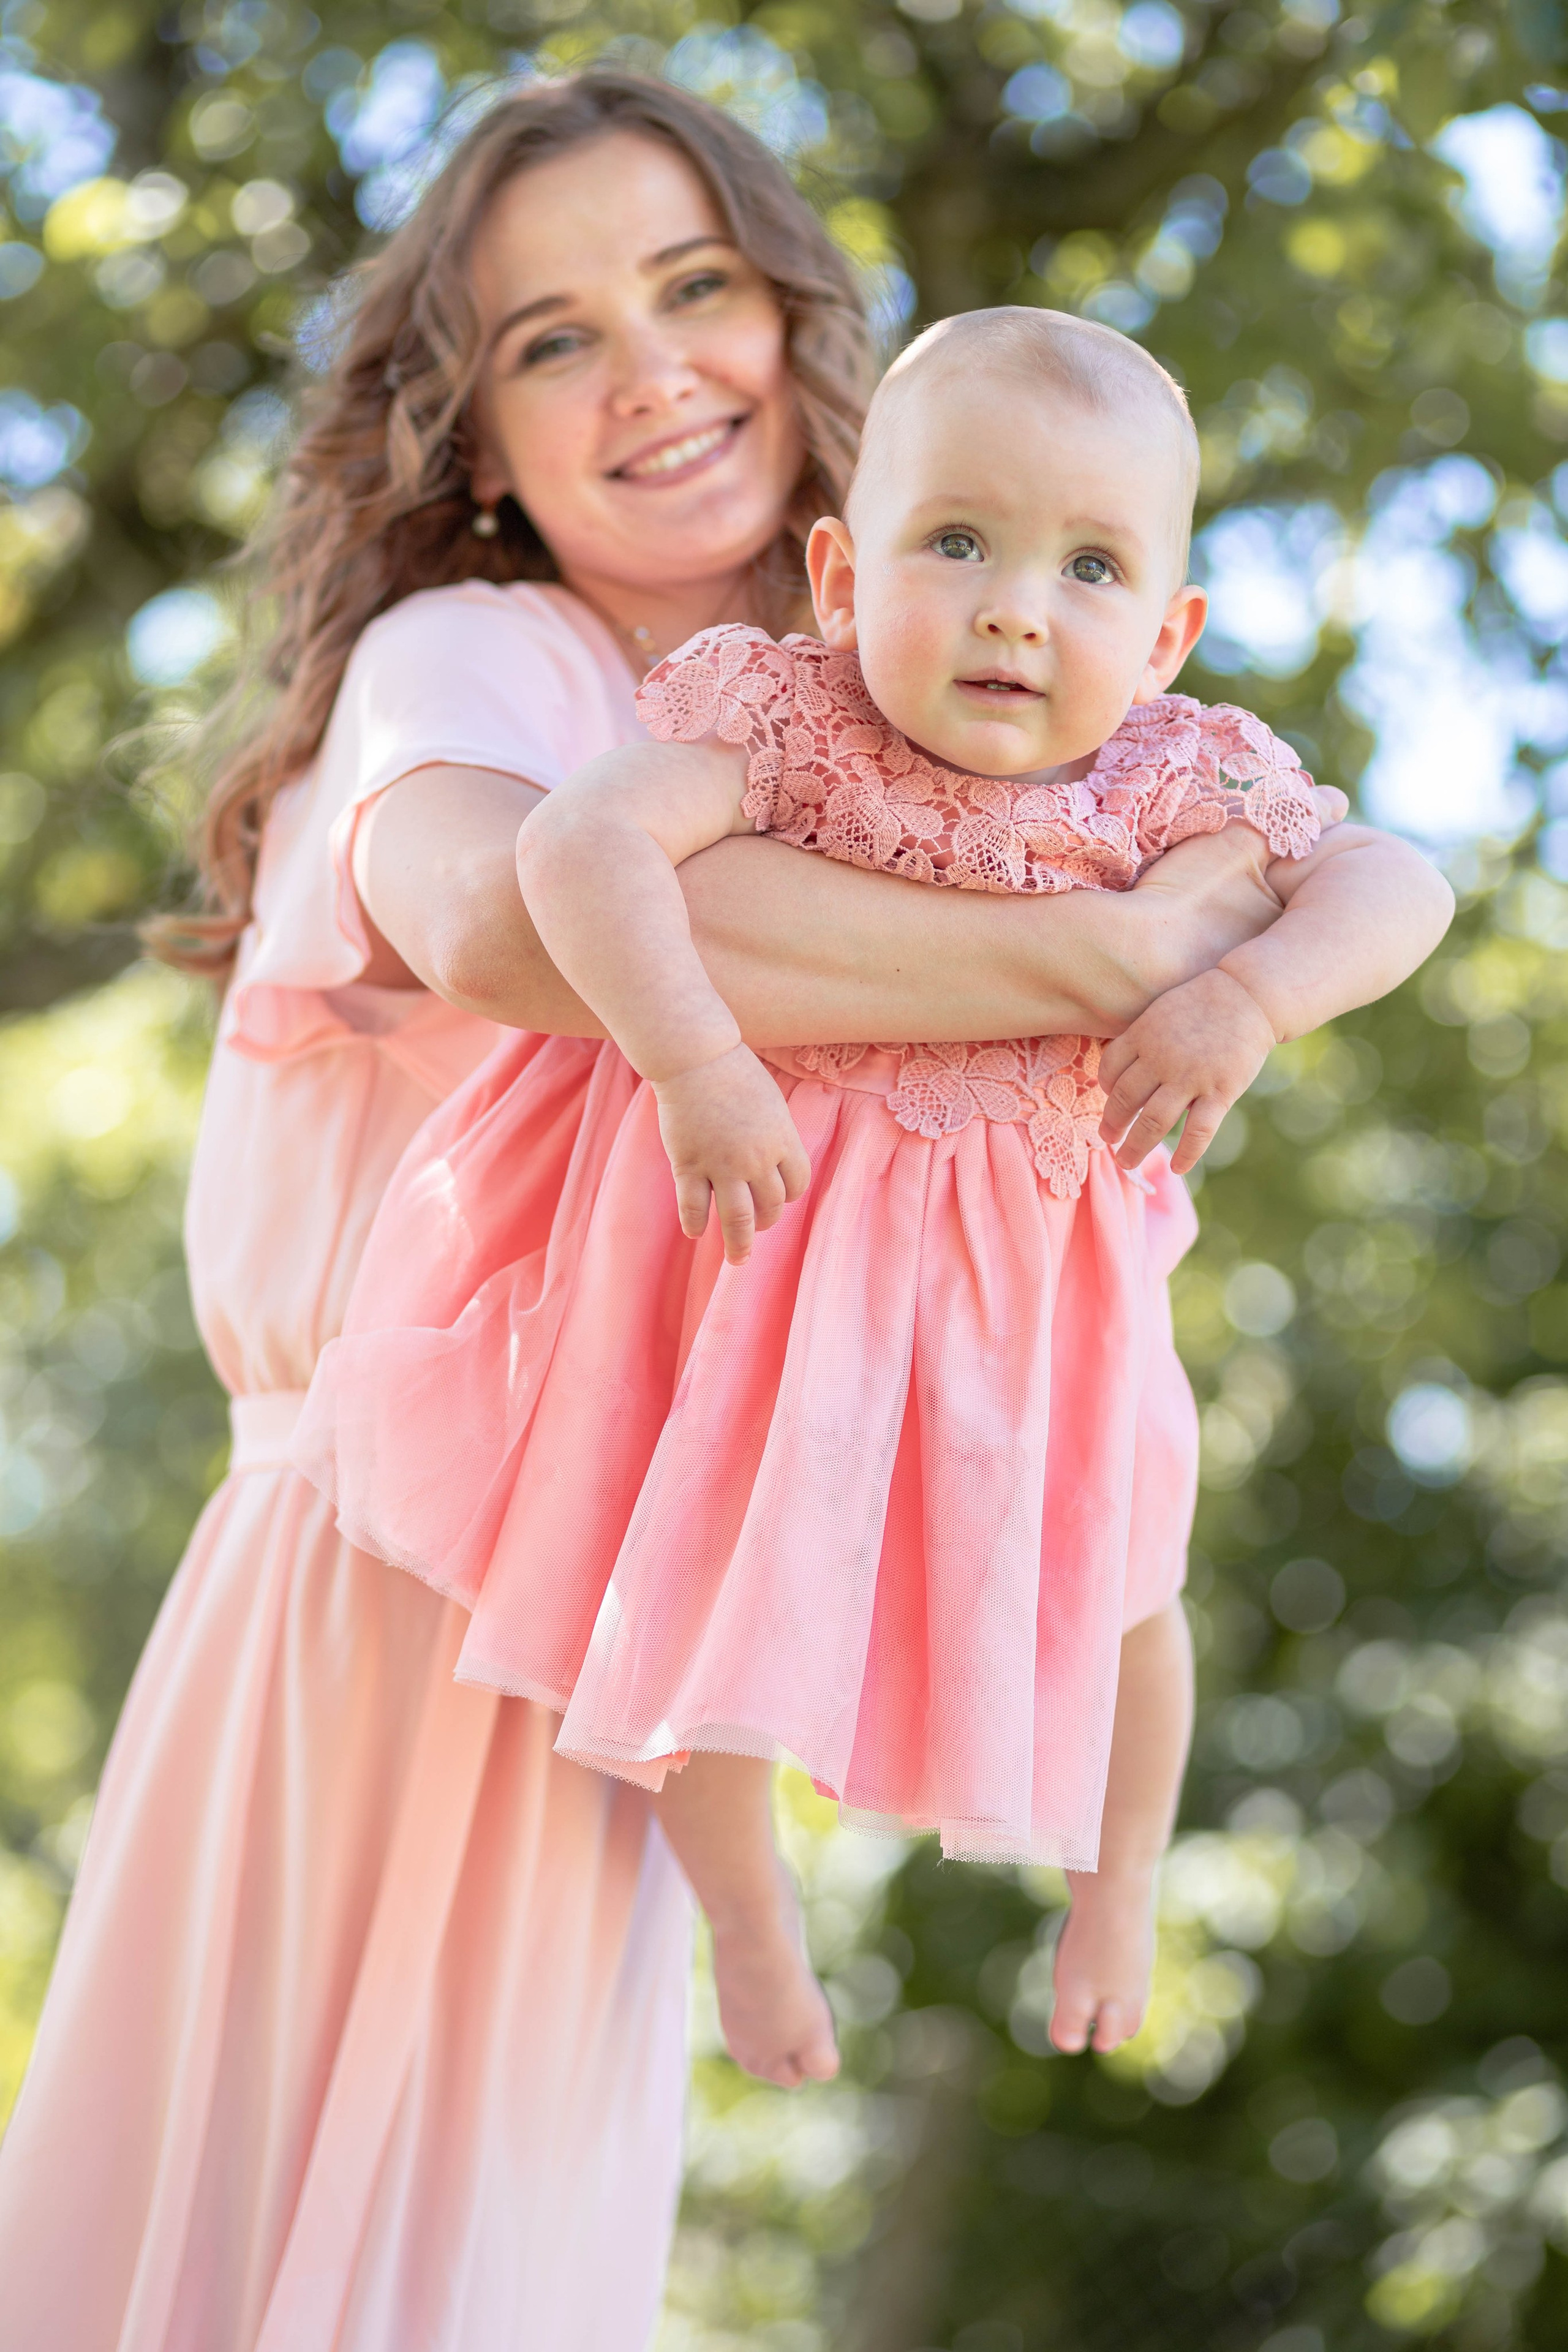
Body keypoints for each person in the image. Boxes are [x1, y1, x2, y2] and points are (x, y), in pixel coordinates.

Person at [0, 70, 1335, 2351]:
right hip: (397, 1607)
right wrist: (1113, 953)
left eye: (692, 283)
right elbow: (522, 932)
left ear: (786, 320)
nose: (646, 366)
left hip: (621, 1613)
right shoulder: (472, 657)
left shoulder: (911, 716)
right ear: (470, 431)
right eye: (549, 335)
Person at [294, 307, 1453, 2092]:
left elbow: (1398, 884)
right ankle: (745, 1923)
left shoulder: (1179, 782)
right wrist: (693, 1061)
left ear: (1167, 635)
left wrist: (1248, 996)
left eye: (1087, 567)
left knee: (1134, 1567)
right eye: (960, 542)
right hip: (777, 1270)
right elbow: (577, 844)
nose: (1014, 607)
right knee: (712, 1573)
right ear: (841, 574)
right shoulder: (790, 726)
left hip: (1038, 1309)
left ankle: (1120, 1873)